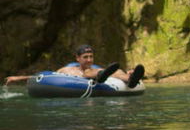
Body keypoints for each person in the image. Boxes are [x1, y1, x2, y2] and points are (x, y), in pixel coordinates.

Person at [4, 44, 145, 88]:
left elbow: (114, 73)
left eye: (91, 56)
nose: (89, 60)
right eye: (85, 57)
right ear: (77, 58)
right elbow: (46, 76)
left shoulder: (95, 67)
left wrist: (126, 74)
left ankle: (130, 79)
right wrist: (18, 78)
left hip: (100, 75)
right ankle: (101, 76)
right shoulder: (68, 69)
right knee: (87, 73)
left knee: (115, 71)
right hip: (85, 80)